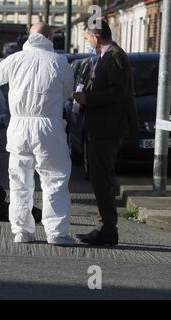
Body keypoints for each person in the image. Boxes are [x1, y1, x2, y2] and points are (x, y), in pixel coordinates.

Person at [0, 23, 75, 246]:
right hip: (48, 127)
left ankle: (22, 231)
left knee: (19, 180)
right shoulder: (59, 62)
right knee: (54, 179)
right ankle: (57, 233)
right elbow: (68, 92)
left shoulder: (15, 59)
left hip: (19, 127)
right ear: (50, 37)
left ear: (30, 37)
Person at [73, 20, 139, 246]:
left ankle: (108, 229)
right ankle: (105, 226)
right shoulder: (104, 57)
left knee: (102, 178)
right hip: (99, 127)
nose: (86, 41)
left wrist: (87, 99)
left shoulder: (115, 57)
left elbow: (118, 93)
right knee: (100, 177)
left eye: (87, 37)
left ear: (97, 36)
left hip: (107, 129)